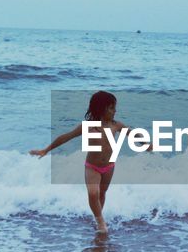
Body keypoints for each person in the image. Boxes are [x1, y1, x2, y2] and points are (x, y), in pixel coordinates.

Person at [30, 91, 124, 234]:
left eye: (114, 107)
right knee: (93, 193)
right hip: (92, 167)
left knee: (102, 193)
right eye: (111, 108)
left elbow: (132, 133)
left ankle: (98, 217)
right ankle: (100, 222)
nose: (115, 111)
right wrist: (46, 150)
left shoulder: (116, 125)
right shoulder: (87, 127)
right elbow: (65, 137)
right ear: (100, 108)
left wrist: (146, 144)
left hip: (109, 167)